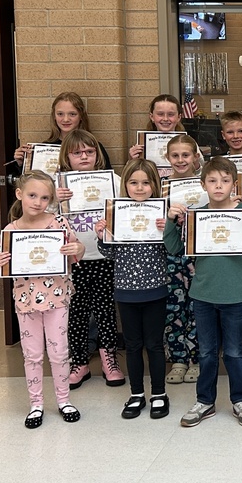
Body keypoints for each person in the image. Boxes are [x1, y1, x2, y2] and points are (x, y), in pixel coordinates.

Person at [164, 157, 242, 428]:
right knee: (207, 352)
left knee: (234, 352)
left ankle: (239, 399)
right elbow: (175, 249)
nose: (218, 186)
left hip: (235, 296)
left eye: (224, 181)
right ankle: (205, 401)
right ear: (203, 184)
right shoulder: (196, 215)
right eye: (212, 181)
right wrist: (170, 222)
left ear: (234, 184)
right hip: (203, 295)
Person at [0, 171, 85, 428]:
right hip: (25, 301)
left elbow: (77, 251)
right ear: (19, 194)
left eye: (44, 197)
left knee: (59, 351)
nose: (37, 202)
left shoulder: (60, 224)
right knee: (32, 355)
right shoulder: (10, 231)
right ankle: (36, 404)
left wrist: (78, 249)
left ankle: (64, 400)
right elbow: (0, 263)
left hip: (57, 299)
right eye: (32, 195)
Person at [95, 159, 170, 420]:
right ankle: (137, 393)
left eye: (146, 183)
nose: (140, 188)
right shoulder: (117, 213)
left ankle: (159, 393)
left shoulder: (162, 213)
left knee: (155, 345)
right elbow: (108, 253)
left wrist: (169, 230)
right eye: (134, 182)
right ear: (125, 185)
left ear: (155, 185)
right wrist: (102, 234)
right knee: (133, 345)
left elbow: (173, 250)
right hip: (125, 290)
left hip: (156, 289)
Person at [55, 129, 125, 389]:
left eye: (89, 151)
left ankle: (109, 360)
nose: (84, 156)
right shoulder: (58, 185)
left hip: (104, 256)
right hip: (73, 260)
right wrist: (54, 200)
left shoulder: (114, 180)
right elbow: (41, 214)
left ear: (97, 155)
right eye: (77, 153)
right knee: (77, 312)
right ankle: (79, 362)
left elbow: (128, 205)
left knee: (106, 310)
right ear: (67, 157)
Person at [161, 134, 201, 384]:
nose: (180, 160)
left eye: (185, 155)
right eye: (175, 155)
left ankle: (197, 358)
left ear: (196, 157)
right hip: (172, 255)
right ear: (167, 158)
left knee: (198, 308)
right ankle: (178, 359)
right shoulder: (162, 187)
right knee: (174, 309)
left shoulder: (205, 185)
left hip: (199, 255)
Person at [14, 91, 111, 170]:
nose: (65, 119)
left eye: (72, 114)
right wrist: (22, 164)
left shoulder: (94, 146)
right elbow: (32, 183)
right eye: (60, 114)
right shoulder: (43, 149)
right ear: (54, 116)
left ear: (81, 116)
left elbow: (107, 180)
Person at [129, 94, 192, 178]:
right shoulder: (143, 144)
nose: (165, 119)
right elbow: (133, 177)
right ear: (152, 116)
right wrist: (132, 161)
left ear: (179, 117)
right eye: (160, 114)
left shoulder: (189, 143)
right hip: (151, 187)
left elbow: (201, 173)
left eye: (170, 114)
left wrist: (195, 162)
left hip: (178, 187)